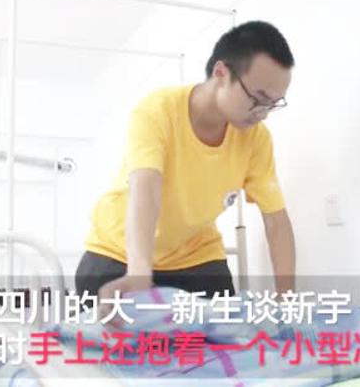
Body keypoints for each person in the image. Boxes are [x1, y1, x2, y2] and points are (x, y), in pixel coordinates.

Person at [74, 21, 297, 314]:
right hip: (119, 252)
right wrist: (139, 272)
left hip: (196, 255)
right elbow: (146, 189)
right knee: (120, 335)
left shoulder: (256, 139)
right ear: (221, 73)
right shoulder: (158, 110)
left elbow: (276, 220)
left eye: (273, 104)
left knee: (227, 332)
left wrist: (287, 300)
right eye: (257, 99)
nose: (263, 113)